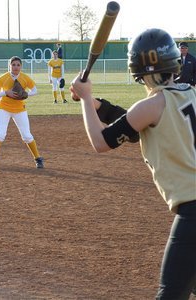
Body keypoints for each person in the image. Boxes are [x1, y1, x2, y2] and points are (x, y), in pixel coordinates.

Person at [70, 28, 196, 299]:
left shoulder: (152, 105)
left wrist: (84, 100)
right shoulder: (190, 93)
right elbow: (135, 122)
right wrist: (93, 101)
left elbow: (101, 142)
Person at [0, 56, 43, 169]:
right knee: (0, 135)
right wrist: (5, 93)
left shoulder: (25, 78)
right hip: (3, 108)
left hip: (19, 109)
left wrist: (26, 94)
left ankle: (38, 159)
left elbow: (35, 91)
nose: (16, 67)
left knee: (27, 136)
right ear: (9, 66)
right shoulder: (4, 78)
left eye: (18, 65)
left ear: (21, 66)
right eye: (13, 64)